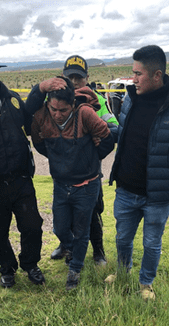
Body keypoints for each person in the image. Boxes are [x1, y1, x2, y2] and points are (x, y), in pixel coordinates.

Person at [106, 45, 169, 300]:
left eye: (138, 74)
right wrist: (103, 129)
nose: (134, 79)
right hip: (126, 189)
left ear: (157, 75)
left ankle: (146, 283)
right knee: (122, 238)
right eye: (133, 73)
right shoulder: (130, 100)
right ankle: (122, 270)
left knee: (151, 242)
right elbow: (127, 136)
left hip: (158, 195)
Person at [27, 55, 120, 266]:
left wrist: (94, 145)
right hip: (64, 169)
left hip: (89, 170)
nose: (76, 82)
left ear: (87, 77)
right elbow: (32, 113)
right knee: (64, 212)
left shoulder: (97, 100)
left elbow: (114, 128)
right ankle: (66, 245)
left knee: (93, 212)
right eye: (71, 77)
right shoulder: (54, 98)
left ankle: (98, 251)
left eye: (79, 77)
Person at [0, 78, 45, 288]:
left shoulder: (13, 99)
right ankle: (7, 267)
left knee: (32, 226)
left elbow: (31, 122)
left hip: (21, 178)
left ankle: (30, 264)